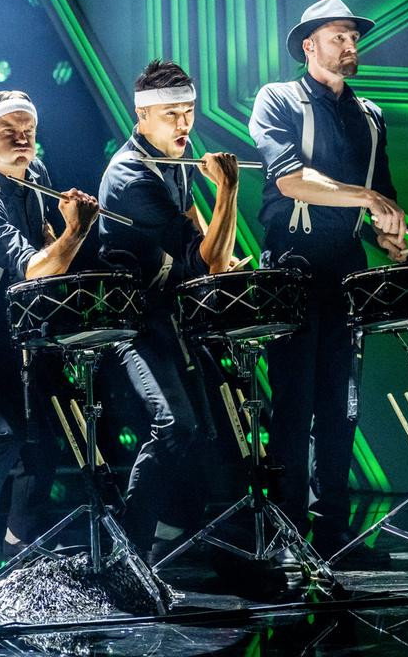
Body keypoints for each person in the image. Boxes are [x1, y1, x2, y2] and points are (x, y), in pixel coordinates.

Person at [248, 0, 406, 566]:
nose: (350, 45)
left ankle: (334, 534)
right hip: (293, 262)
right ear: (309, 44)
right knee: (294, 405)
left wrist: (391, 238)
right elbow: (289, 181)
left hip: (346, 266)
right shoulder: (277, 99)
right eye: (339, 37)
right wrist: (366, 199)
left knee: (342, 405)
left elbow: (382, 194)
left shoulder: (371, 114)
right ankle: (288, 534)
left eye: (353, 37)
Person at [0, 90, 100, 574]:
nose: (22, 139)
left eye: (28, 130)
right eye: (9, 131)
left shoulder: (35, 173)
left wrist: (60, 233)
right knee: (4, 431)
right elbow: (35, 268)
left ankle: (19, 548)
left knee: (44, 438)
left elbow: (45, 237)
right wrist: (76, 232)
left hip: (10, 336)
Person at [97, 60, 241, 558]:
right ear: (142, 115)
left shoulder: (171, 159)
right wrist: (229, 190)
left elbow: (198, 232)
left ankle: (173, 531)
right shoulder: (132, 177)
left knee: (205, 429)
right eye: (171, 114)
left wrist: (222, 251)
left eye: (189, 112)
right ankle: (129, 551)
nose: (184, 124)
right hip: (132, 323)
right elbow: (207, 260)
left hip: (167, 315)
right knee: (174, 425)